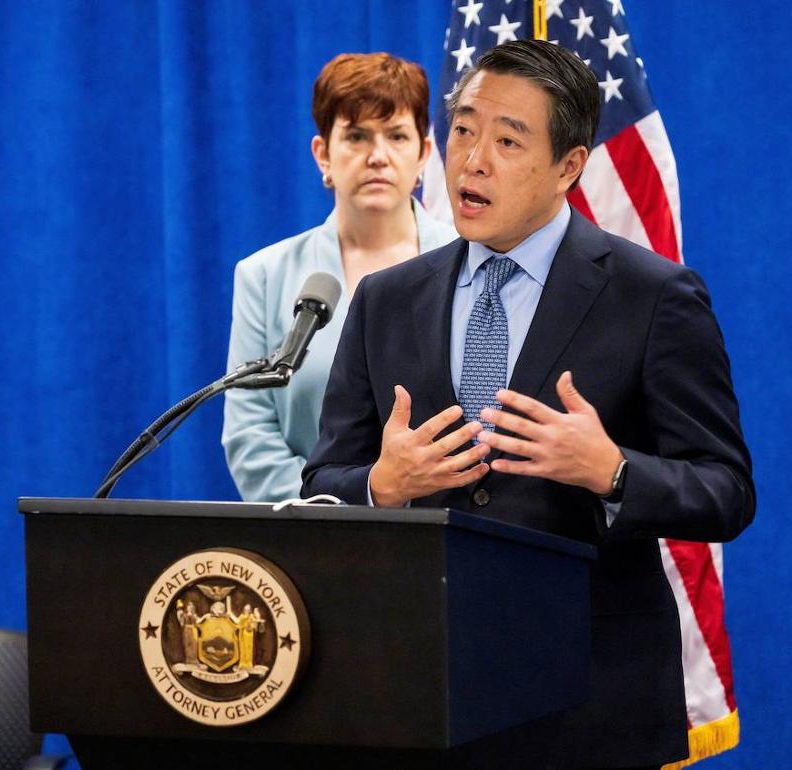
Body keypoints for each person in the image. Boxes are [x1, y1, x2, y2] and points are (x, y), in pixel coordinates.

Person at [301, 41, 755, 768]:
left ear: (569, 166)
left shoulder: (654, 296)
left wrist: (612, 471)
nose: (472, 161)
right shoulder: (386, 299)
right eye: (463, 130)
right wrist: (382, 485)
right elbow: (324, 482)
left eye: (508, 141)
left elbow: (725, 490)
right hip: (422, 692)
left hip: (589, 700)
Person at [223, 52, 457, 502]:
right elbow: (251, 438)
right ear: (323, 155)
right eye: (356, 136)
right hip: (312, 530)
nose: (378, 157)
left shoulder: (472, 263)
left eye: (396, 136)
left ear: (424, 154)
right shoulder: (264, 276)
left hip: (447, 524)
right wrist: (344, 508)